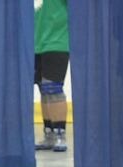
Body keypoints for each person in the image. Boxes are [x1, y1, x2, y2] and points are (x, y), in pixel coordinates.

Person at [33, 0, 69, 152]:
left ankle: (60, 134)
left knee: (53, 88)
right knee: (43, 88)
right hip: (36, 43)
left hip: (57, 42)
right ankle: (49, 134)